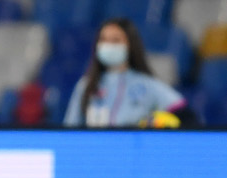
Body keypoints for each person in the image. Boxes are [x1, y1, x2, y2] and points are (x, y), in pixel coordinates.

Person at [64, 18, 198, 128]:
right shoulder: (86, 85)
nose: (108, 45)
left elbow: (187, 117)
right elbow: (70, 131)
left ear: (130, 45)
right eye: (103, 40)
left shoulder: (147, 85)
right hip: (96, 156)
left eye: (115, 40)